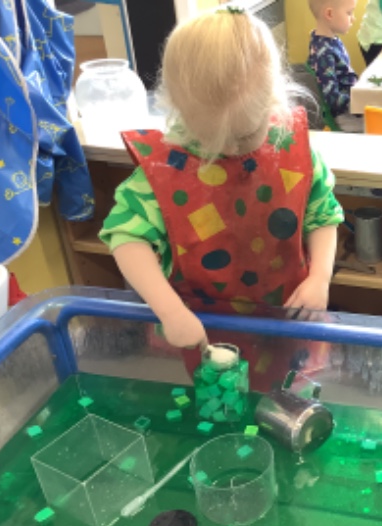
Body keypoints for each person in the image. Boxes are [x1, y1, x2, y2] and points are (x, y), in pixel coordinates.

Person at [99, 8, 343, 390]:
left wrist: (320, 277)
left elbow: (323, 214)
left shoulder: (296, 154)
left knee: (291, 396)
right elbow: (126, 237)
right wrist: (170, 311)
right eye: (212, 139)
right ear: (178, 109)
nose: (230, 150)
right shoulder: (162, 172)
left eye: (244, 136)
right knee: (222, 402)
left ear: (274, 101)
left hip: (288, 322)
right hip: (208, 330)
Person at [307, 0, 364, 132]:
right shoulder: (324, 53)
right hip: (344, 116)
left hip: (351, 106)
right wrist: (360, 103)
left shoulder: (331, 41)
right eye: (349, 13)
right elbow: (332, 98)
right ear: (330, 14)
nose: (353, 18)